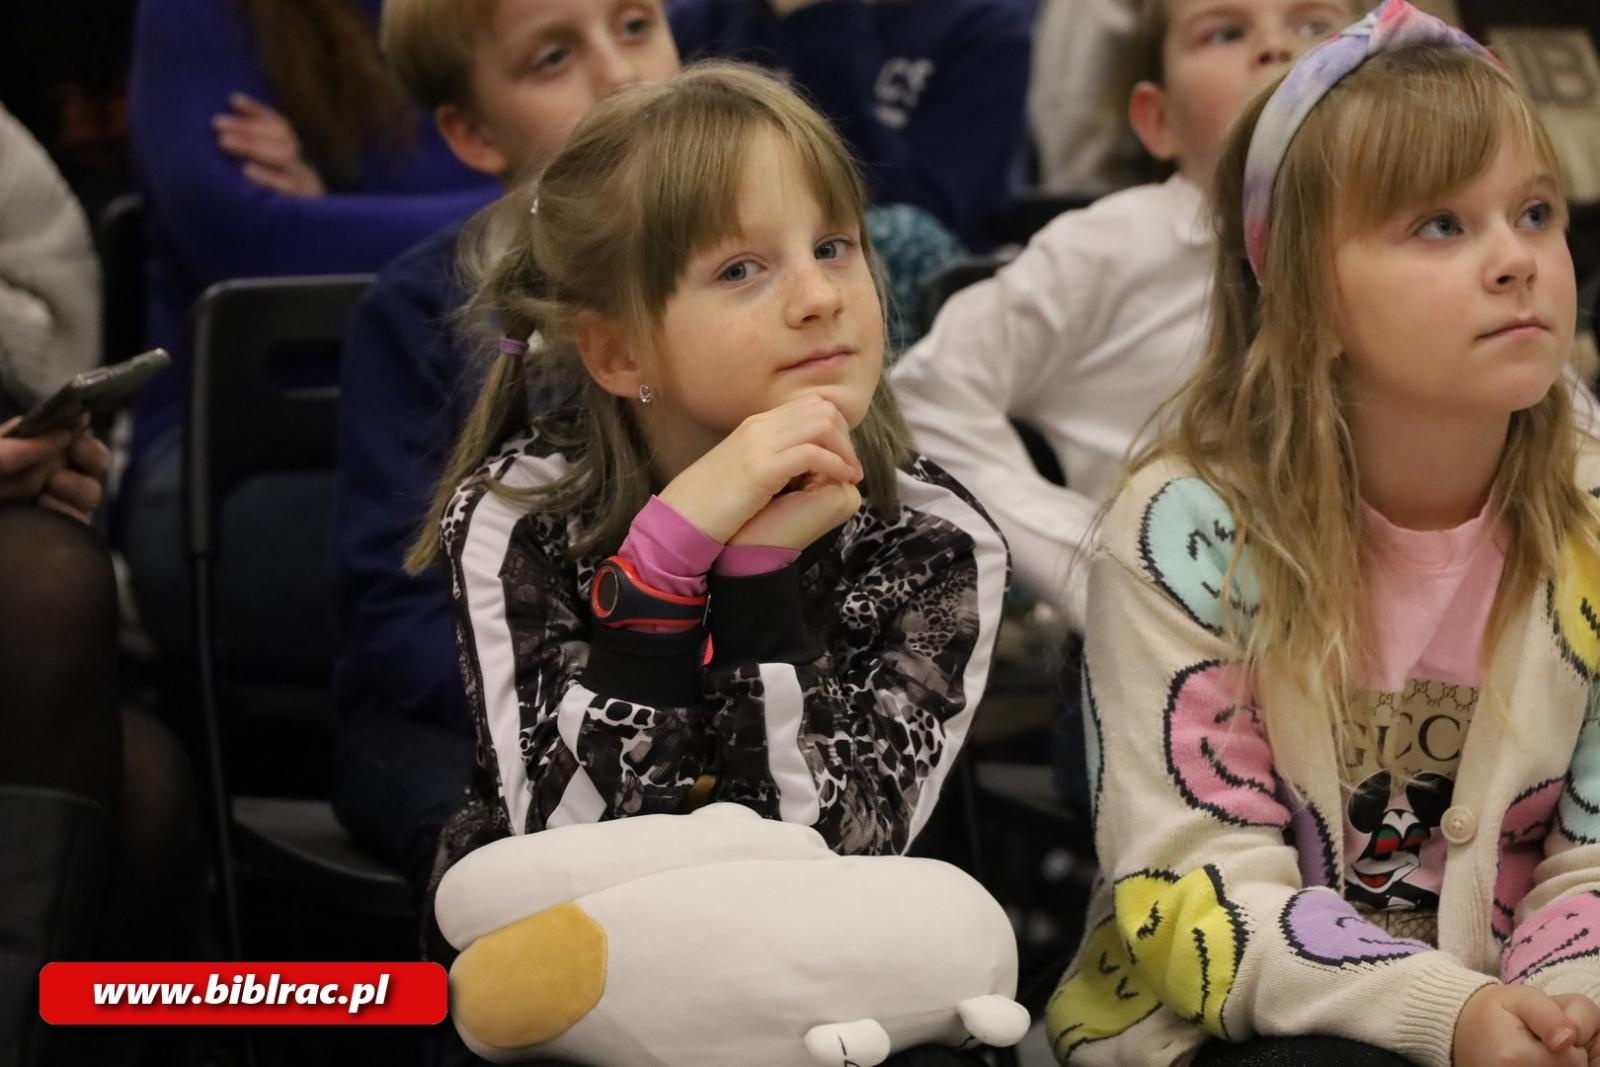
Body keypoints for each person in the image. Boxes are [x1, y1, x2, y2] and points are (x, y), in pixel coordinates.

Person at [1046, 4, 1600, 1064]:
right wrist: (1451, 1016)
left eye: (1535, 213)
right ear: (1308, 297)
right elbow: (1201, 883)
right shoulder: (1184, 534)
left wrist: (1562, 1008)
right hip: (1236, 1024)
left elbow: (1592, 852)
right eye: (1440, 225)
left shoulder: (1587, 514)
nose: (1515, 260)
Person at [411, 57, 1007, 914]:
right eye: (739, 270)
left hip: (815, 967)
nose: (818, 296)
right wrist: (659, 574)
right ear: (620, 352)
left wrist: (758, 582)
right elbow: (565, 857)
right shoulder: (519, 513)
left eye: (833, 247)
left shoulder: (934, 533)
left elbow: (836, 859)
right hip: (569, 968)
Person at [331, 0, 683, 896]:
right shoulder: (418, 312)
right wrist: (588, 715)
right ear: (472, 132)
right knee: (529, 872)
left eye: (635, 25)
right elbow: (399, 614)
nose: (620, 73)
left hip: (694, 701)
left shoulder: (765, 278)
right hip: (463, 718)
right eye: (553, 58)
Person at [120, 0, 499, 657]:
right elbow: (256, 244)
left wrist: (336, 214)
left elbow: (635, 172)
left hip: (482, 432)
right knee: (500, 574)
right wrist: (536, 204)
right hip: (259, 456)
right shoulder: (200, 14)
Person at [666, 0, 1030, 245]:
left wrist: (822, 21)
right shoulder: (699, 21)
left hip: (913, 284)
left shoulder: (983, 28)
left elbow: (934, 218)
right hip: (730, 246)